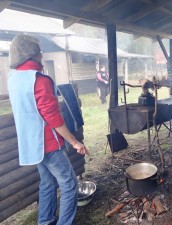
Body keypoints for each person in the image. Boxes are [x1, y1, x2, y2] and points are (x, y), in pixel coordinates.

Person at [7, 34, 89, 225]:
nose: (42, 56)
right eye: (40, 52)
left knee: (47, 182)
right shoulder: (39, 79)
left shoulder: (14, 79)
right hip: (48, 143)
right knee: (69, 184)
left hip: (31, 144)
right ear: (33, 54)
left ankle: (45, 221)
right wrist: (75, 142)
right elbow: (53, 118)